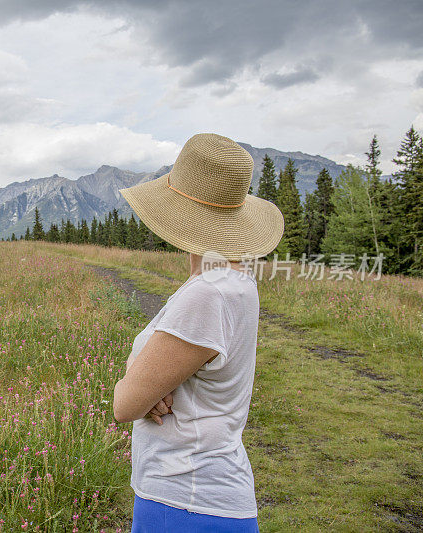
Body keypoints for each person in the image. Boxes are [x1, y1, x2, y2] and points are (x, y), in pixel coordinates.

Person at [113, 133, 285, 532]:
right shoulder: (233, 280)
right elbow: (154, 376)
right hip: (208, 495)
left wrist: (139, 385)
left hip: (183, 500)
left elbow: (124, 406)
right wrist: (146, 379)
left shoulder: (207, 293)